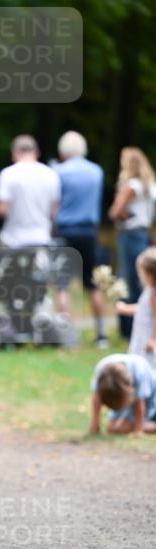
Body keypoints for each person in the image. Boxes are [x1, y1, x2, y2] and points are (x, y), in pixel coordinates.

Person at [52, 131, 108, 348]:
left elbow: (55, 203)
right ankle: (101, 333)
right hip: (89, 231)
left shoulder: (59, 172)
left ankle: (67, 336)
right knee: (92, 284)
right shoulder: (96, 171)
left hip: (65, 230)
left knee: (62, 285)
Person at [108, 146, 156, 339]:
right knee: (146, 279)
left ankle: (127, 327)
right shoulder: (151, 186)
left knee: (127, 279)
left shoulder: (131, 186)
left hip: (129, 234)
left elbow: (114, 211)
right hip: (144, 233)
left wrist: (123, 213)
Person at [0, 135, 60, 249]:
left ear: (14, 152)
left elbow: (2, 209)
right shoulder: (51, 174)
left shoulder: (8, 174)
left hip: (13, 239)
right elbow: (54, 211)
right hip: (41, 238)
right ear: (37, 152)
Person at [89, 352, 156, 435]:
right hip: (121, 395)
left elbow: (140, 404)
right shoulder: (102, 370)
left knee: (122, 428)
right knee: (111, 427)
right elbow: (97, 397)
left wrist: (138, 429)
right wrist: (95, 424)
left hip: (150, 400)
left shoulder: (140, 372)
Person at [115, 246, 156, 370]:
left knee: (147, 365)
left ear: (149, 274)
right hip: (140, 336)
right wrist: (125, 308)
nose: (139, 274)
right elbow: (144, 309)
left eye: (140, 271)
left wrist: (153, 339)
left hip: (148, 336)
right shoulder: (148, 291)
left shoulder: (154, 294)